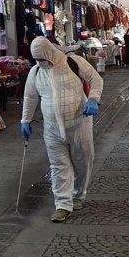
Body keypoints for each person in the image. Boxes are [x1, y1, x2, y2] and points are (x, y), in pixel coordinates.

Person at [20, 36, 103, 222]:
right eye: (37, 60)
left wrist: (93, 99)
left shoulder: (74, 62)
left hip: (79, 124)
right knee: (58, 166)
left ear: (49, 52)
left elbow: (96, 79)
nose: (41, 62)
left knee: (82, 161)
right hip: (51, 129)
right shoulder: (35, 73)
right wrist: (25, 120)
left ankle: (78, 195)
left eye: (43, 58)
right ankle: (63, 204)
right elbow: (30, 97)